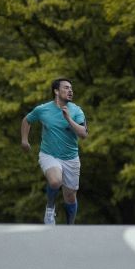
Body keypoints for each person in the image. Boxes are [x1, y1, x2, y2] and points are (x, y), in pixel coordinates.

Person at [21, 78, 88, 225]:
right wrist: (25, 140)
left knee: (70, 197)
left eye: (71, 88)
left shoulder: (76, 110)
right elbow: (27, 120)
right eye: (66, 88)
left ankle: (70, 227)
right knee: (55, 180)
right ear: (56, 91)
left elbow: (83, 134)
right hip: (48, 154)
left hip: (71, 158)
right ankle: (50, 209)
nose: (70, 90)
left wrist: (69, 119)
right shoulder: (43, 110)